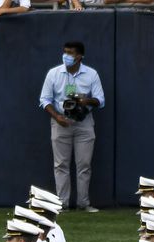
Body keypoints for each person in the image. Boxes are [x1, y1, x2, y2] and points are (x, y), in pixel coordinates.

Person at [40, 42, 105, 213]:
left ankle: (84, 203)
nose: (66, 56)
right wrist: (57, 117)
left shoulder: (91, 74)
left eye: (71, 53)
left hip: (84, 122)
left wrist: (86, 101)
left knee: (84, 164)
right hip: (61, 122)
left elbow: (100, 100)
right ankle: (63, 204)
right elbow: (45, 99)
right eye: (65, 52)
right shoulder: (53, 73)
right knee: (61, 164)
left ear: (80, 56)